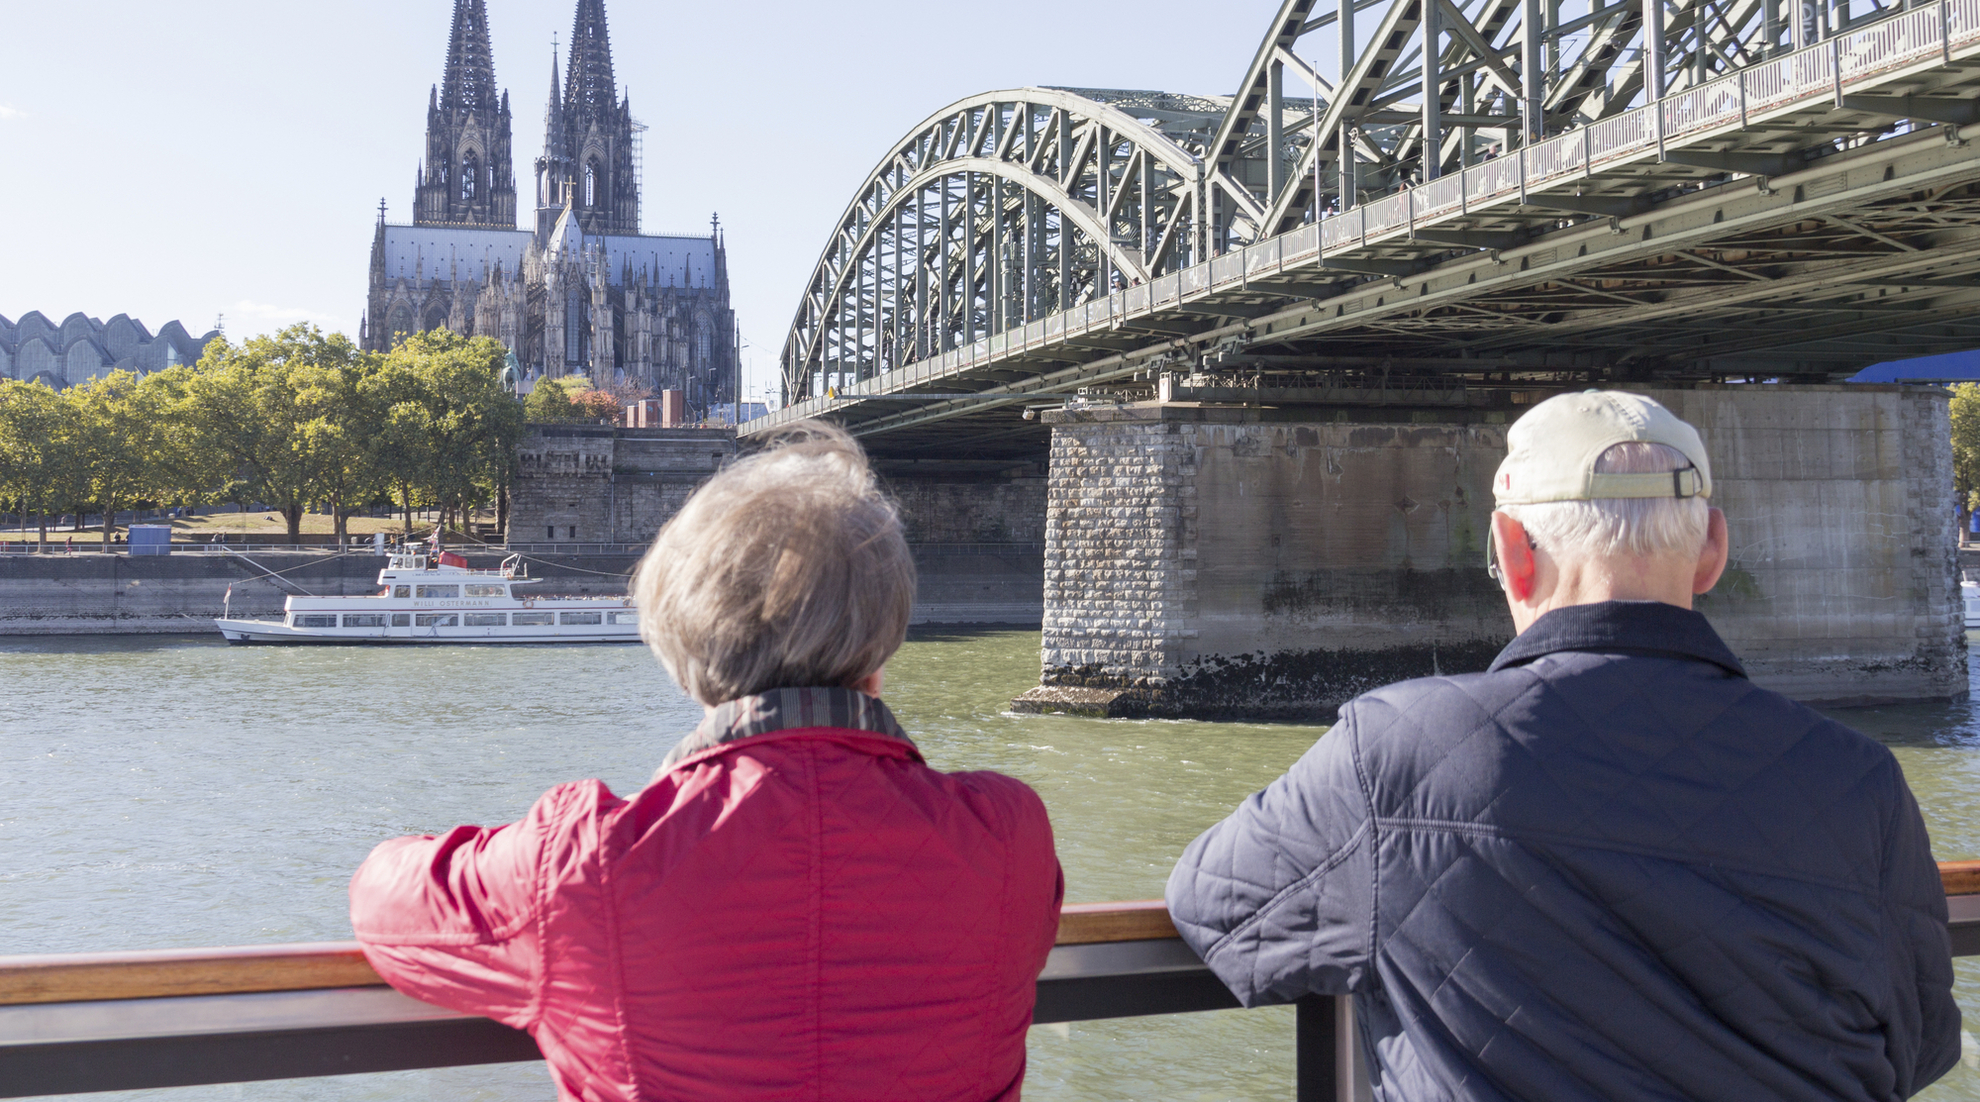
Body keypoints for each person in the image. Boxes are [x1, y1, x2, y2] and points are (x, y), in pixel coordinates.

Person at [1166, 389, 1959, 1100]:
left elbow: (1217, 907)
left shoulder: (1395, 754)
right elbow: (1921, 1044)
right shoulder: (1862, 781)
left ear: (1512, 552)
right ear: (1712, 551)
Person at [349, 423, 1063, 1101]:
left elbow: (381, 901)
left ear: (683, 657)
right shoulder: (1010, 838)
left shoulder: (584, 862)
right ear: (884, 644)